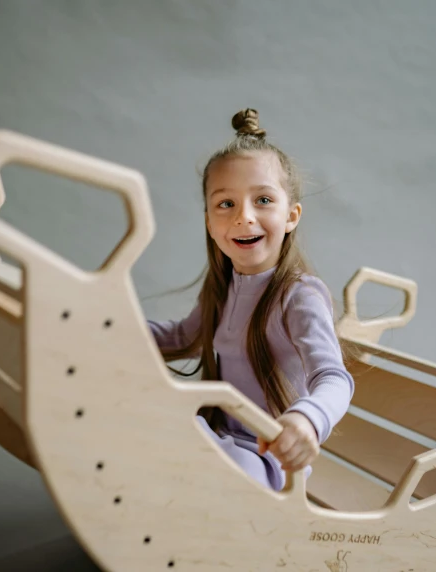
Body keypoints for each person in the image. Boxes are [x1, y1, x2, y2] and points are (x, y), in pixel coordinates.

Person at [148, 108, 355, 491]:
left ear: (291, 215)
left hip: (263, 459)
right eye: (226, 204)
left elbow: (333, 377)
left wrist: (307, 419)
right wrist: (107, 323)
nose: (244, 217)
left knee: (186, 454)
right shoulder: (223, 289)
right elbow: (181, 338)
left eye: (262, 200)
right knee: (153, 414)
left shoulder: (298, 295)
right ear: (210, 222)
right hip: (218, 435)